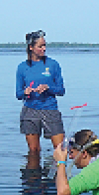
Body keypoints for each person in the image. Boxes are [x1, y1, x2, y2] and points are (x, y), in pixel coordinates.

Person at [15, 32, 66, 160]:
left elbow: (61, 90)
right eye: (40, 46)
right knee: (34, 150)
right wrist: (25, 92)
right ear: (31, 47)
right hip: (30, 111)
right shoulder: (22, 67)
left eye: (44, 45)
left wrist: (48, 88)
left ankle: (59, 176)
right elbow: (18, 94)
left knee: (60, 149)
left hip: (50, 109)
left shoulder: (53, 64)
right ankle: (33, 178)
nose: (44, 49)